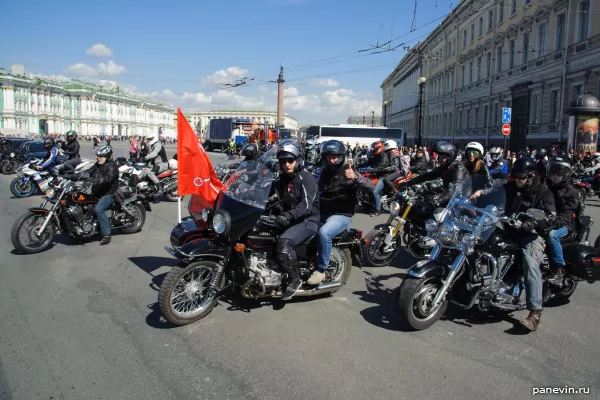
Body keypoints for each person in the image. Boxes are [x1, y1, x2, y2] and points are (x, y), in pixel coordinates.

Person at [471, 157, 556, 332]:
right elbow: (497, 189)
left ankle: (535, 312)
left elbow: (550, 217)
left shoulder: (544, 193)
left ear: (531, 175)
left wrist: (533, 223)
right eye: (515, 177)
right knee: (479, 244)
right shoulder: (511, 186)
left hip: (531, 236)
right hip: (510, 230)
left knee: (530, 263)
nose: (517, 180)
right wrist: (481, 194)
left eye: (521, 177)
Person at [307, 140, 375, 285]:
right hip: (323, 211)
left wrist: (356, 177)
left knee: (325, 233)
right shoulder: (324, 171)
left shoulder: (348, 171)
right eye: (328, 157)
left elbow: (371, 187)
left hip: (342, 214)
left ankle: (321, 270)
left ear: (341, 156)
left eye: (335, 156)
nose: (332, 160)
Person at [271, 140, 320, 300]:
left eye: (290, 160)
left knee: (284, 243)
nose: (286, 164)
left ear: (298, 160)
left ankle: (295, 278)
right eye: (283, 161)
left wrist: (287, 215)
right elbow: (269, 195)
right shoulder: (282, 179)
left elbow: (306, 206)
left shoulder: (306, 178)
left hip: (308, 221)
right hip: (290, 219)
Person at [545, 156, 579, 285]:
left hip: (565, 225)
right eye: (553, 173)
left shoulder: (571, 192)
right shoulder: (547, 187)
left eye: (558, 174)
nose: (554, 177)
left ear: (565, 175)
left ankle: (559, 268)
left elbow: (567, 214)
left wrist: (555, 222)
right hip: (547, 220)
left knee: (552, 235)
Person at [398, 141, 467, 192]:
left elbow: (455, 190)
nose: (440, 160)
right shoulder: (445, 167)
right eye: (439, 157)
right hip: (447, 196)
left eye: (443, 157)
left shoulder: (458, 168)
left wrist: (438, 199)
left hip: (457, 203)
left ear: (451, 156)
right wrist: (407, 183)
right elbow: (427, 175)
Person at [87, 145, 120, 245]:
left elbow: (107, 179)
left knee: (98, 209)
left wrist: (93, 180)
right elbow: (89, 171)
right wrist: (73, 175)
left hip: (108, 194)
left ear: (107, 157)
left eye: (101, 156)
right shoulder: (98, 165)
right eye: (98, 156)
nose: (98, 158)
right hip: (97, 192)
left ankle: (106, 234)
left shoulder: (112, 167)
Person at [358, 141, 392, 216]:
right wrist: (358, 165)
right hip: (377, 174)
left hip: (383, 176)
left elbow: (380, 167)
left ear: (379, 148)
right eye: (373, 148)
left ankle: (378, 210)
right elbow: (368, 162)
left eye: (374, 148)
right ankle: (367, 205)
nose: (373, 150)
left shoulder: (384, 156)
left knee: (375, 191)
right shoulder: (377, 156)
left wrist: (369, 170)